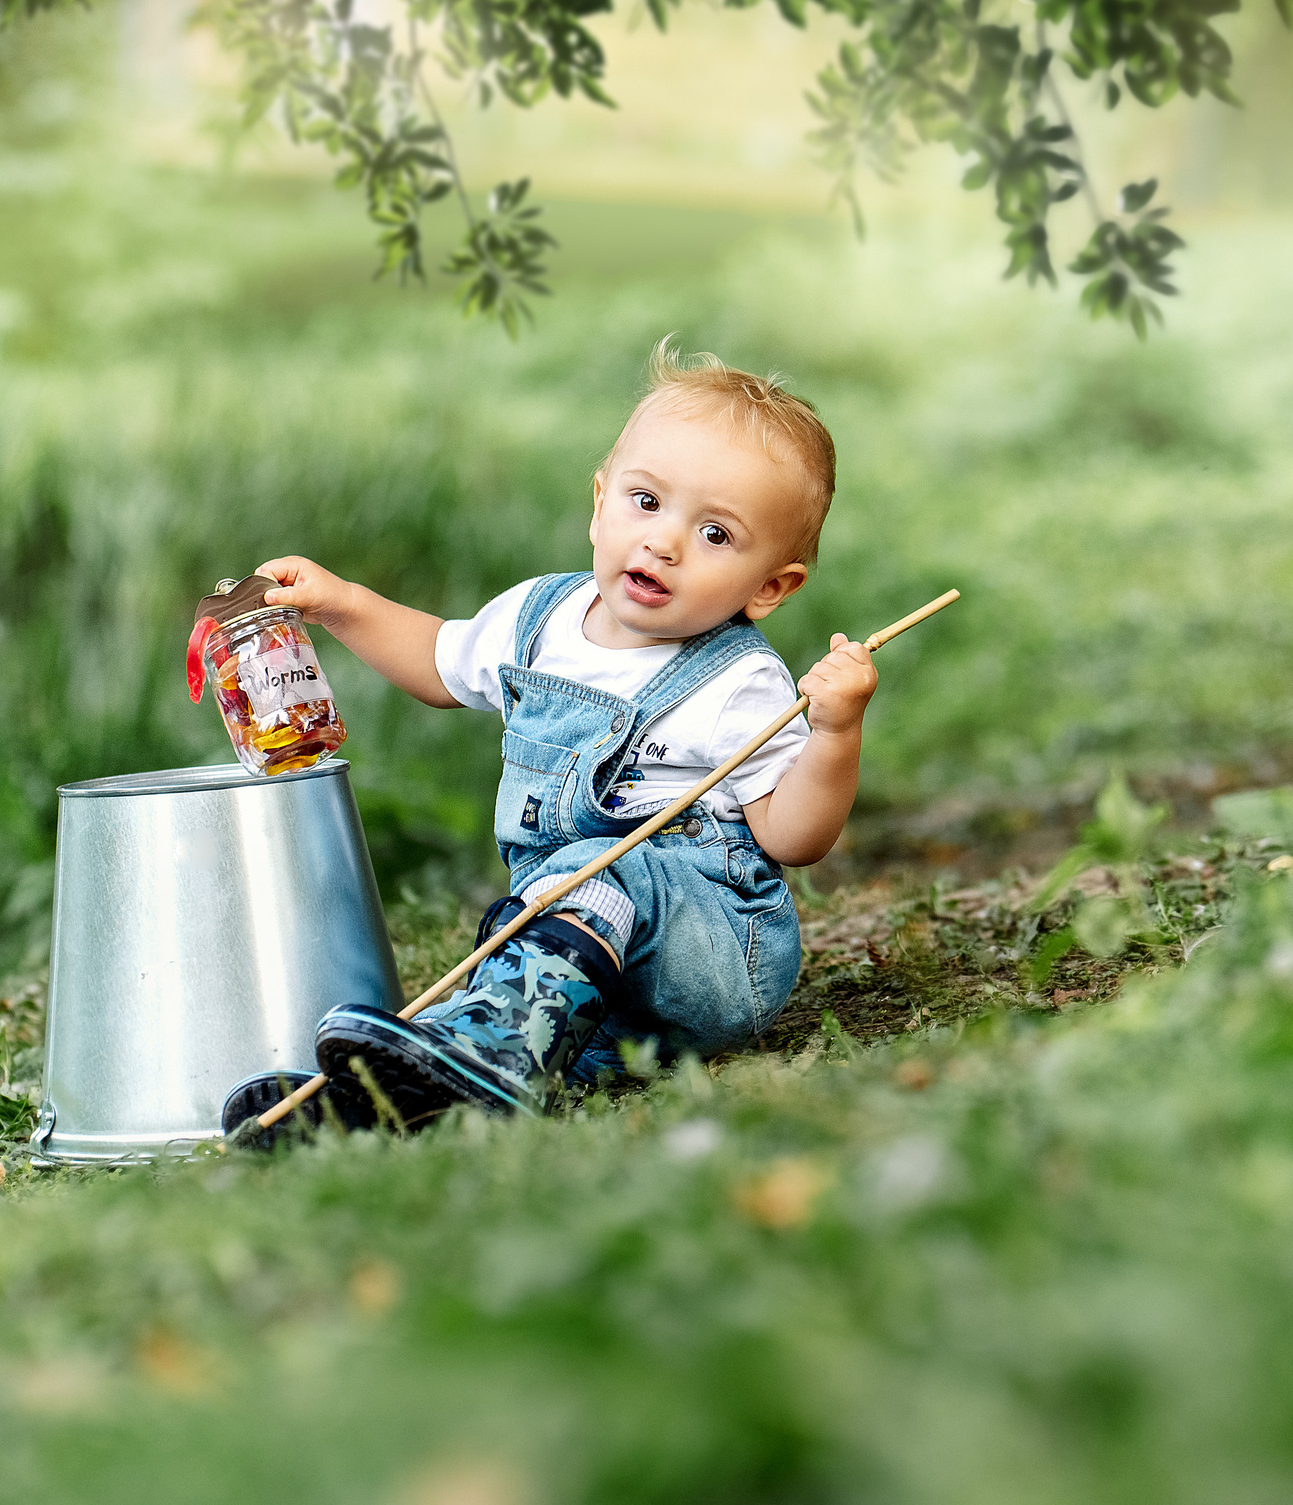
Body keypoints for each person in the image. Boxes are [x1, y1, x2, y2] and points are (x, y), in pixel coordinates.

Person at [241, 341, 878, 1131]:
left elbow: (794, 835)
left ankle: (490, 1044)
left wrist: (837, 730)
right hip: (585, 978)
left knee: (592, 873)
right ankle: (406, 1088)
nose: (665, 542)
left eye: (716, 535)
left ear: (771, 587)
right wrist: (342, 603)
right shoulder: (539, 619)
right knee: (523, 929)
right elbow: (439, 665)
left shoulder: (734, 683)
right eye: (646, 502)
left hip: (707, 962)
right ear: (600, 501)